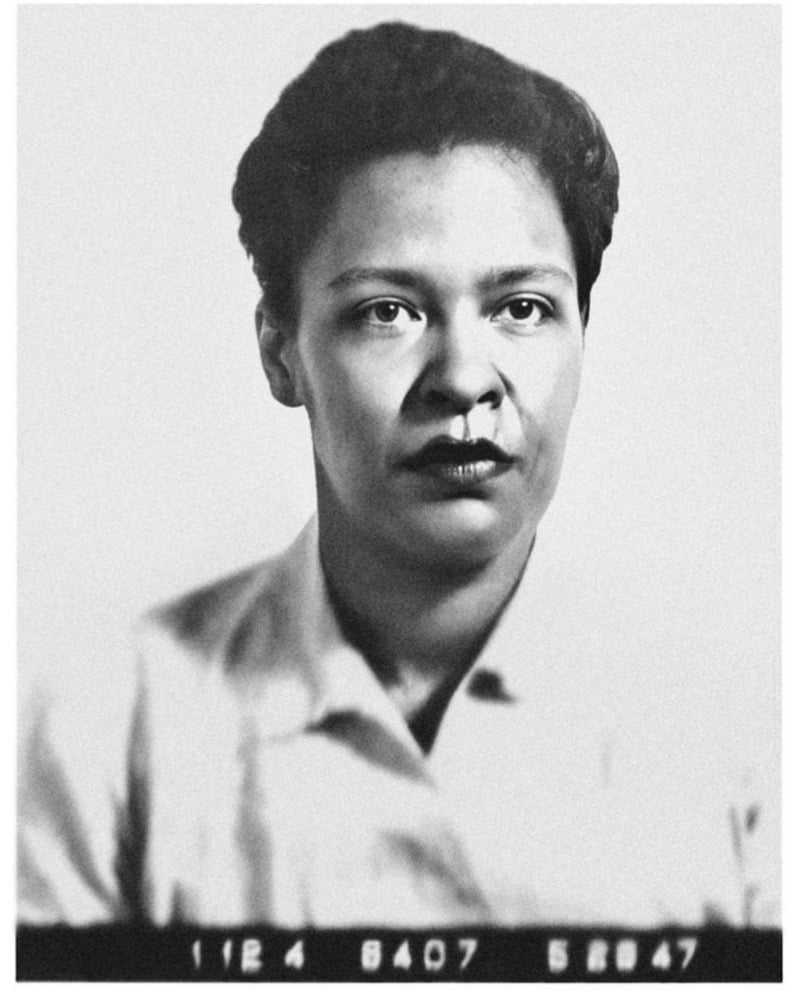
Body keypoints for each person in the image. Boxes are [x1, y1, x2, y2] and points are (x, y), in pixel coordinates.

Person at [18, 21, 778, 929]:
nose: (463, 376)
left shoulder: (734, 740)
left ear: (584, 335)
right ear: (280, 352)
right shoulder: (113, 730)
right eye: (388, 311)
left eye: (523, 308)